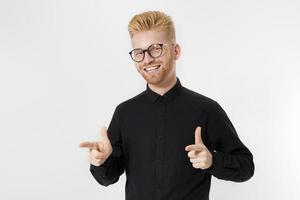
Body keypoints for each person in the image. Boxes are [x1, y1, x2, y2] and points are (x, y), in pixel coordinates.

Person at [79, 10, 254, 200]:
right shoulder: (125, 113)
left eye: (155, 48)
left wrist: (212, 161)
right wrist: (102, 162)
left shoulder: (206, 110)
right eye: (139, 52)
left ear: (176, 51)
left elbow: (246, 166)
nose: (147, 59)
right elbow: (108, 178)